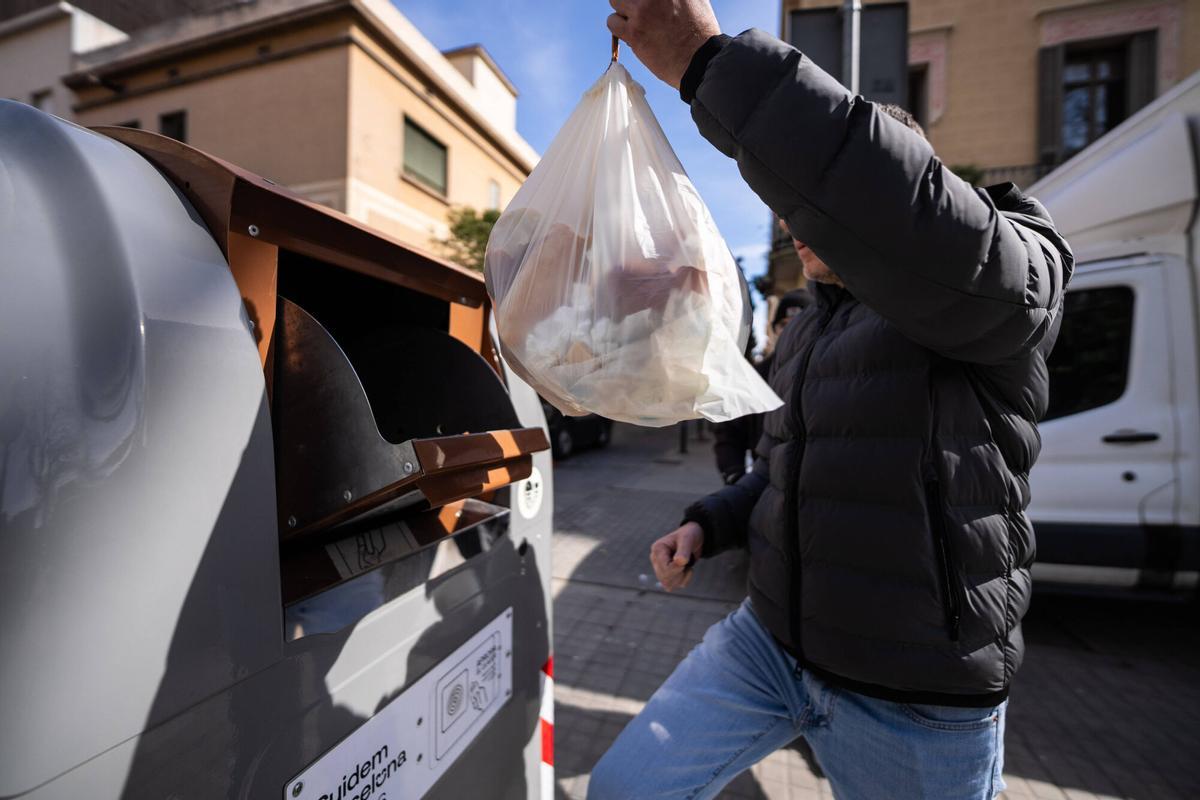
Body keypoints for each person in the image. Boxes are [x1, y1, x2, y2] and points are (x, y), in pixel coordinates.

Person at [591, 2, 1073, 798]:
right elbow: (784, 469)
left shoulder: (1008, 273)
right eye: (790, 205)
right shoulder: (810, 326)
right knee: (624, 789)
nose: (793, 221)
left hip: (913, 694)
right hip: (767, 645)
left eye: (815, 205)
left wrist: (707, 62)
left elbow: (920, 224)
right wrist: (709, 522)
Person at [712, 289, 810, 485]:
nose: (791, 332)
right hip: (763, 484)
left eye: (800, 325)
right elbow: (729, 432)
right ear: (774, 330)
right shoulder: (754, 377)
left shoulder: (832, 376)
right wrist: (734, 474)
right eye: (784, 325)